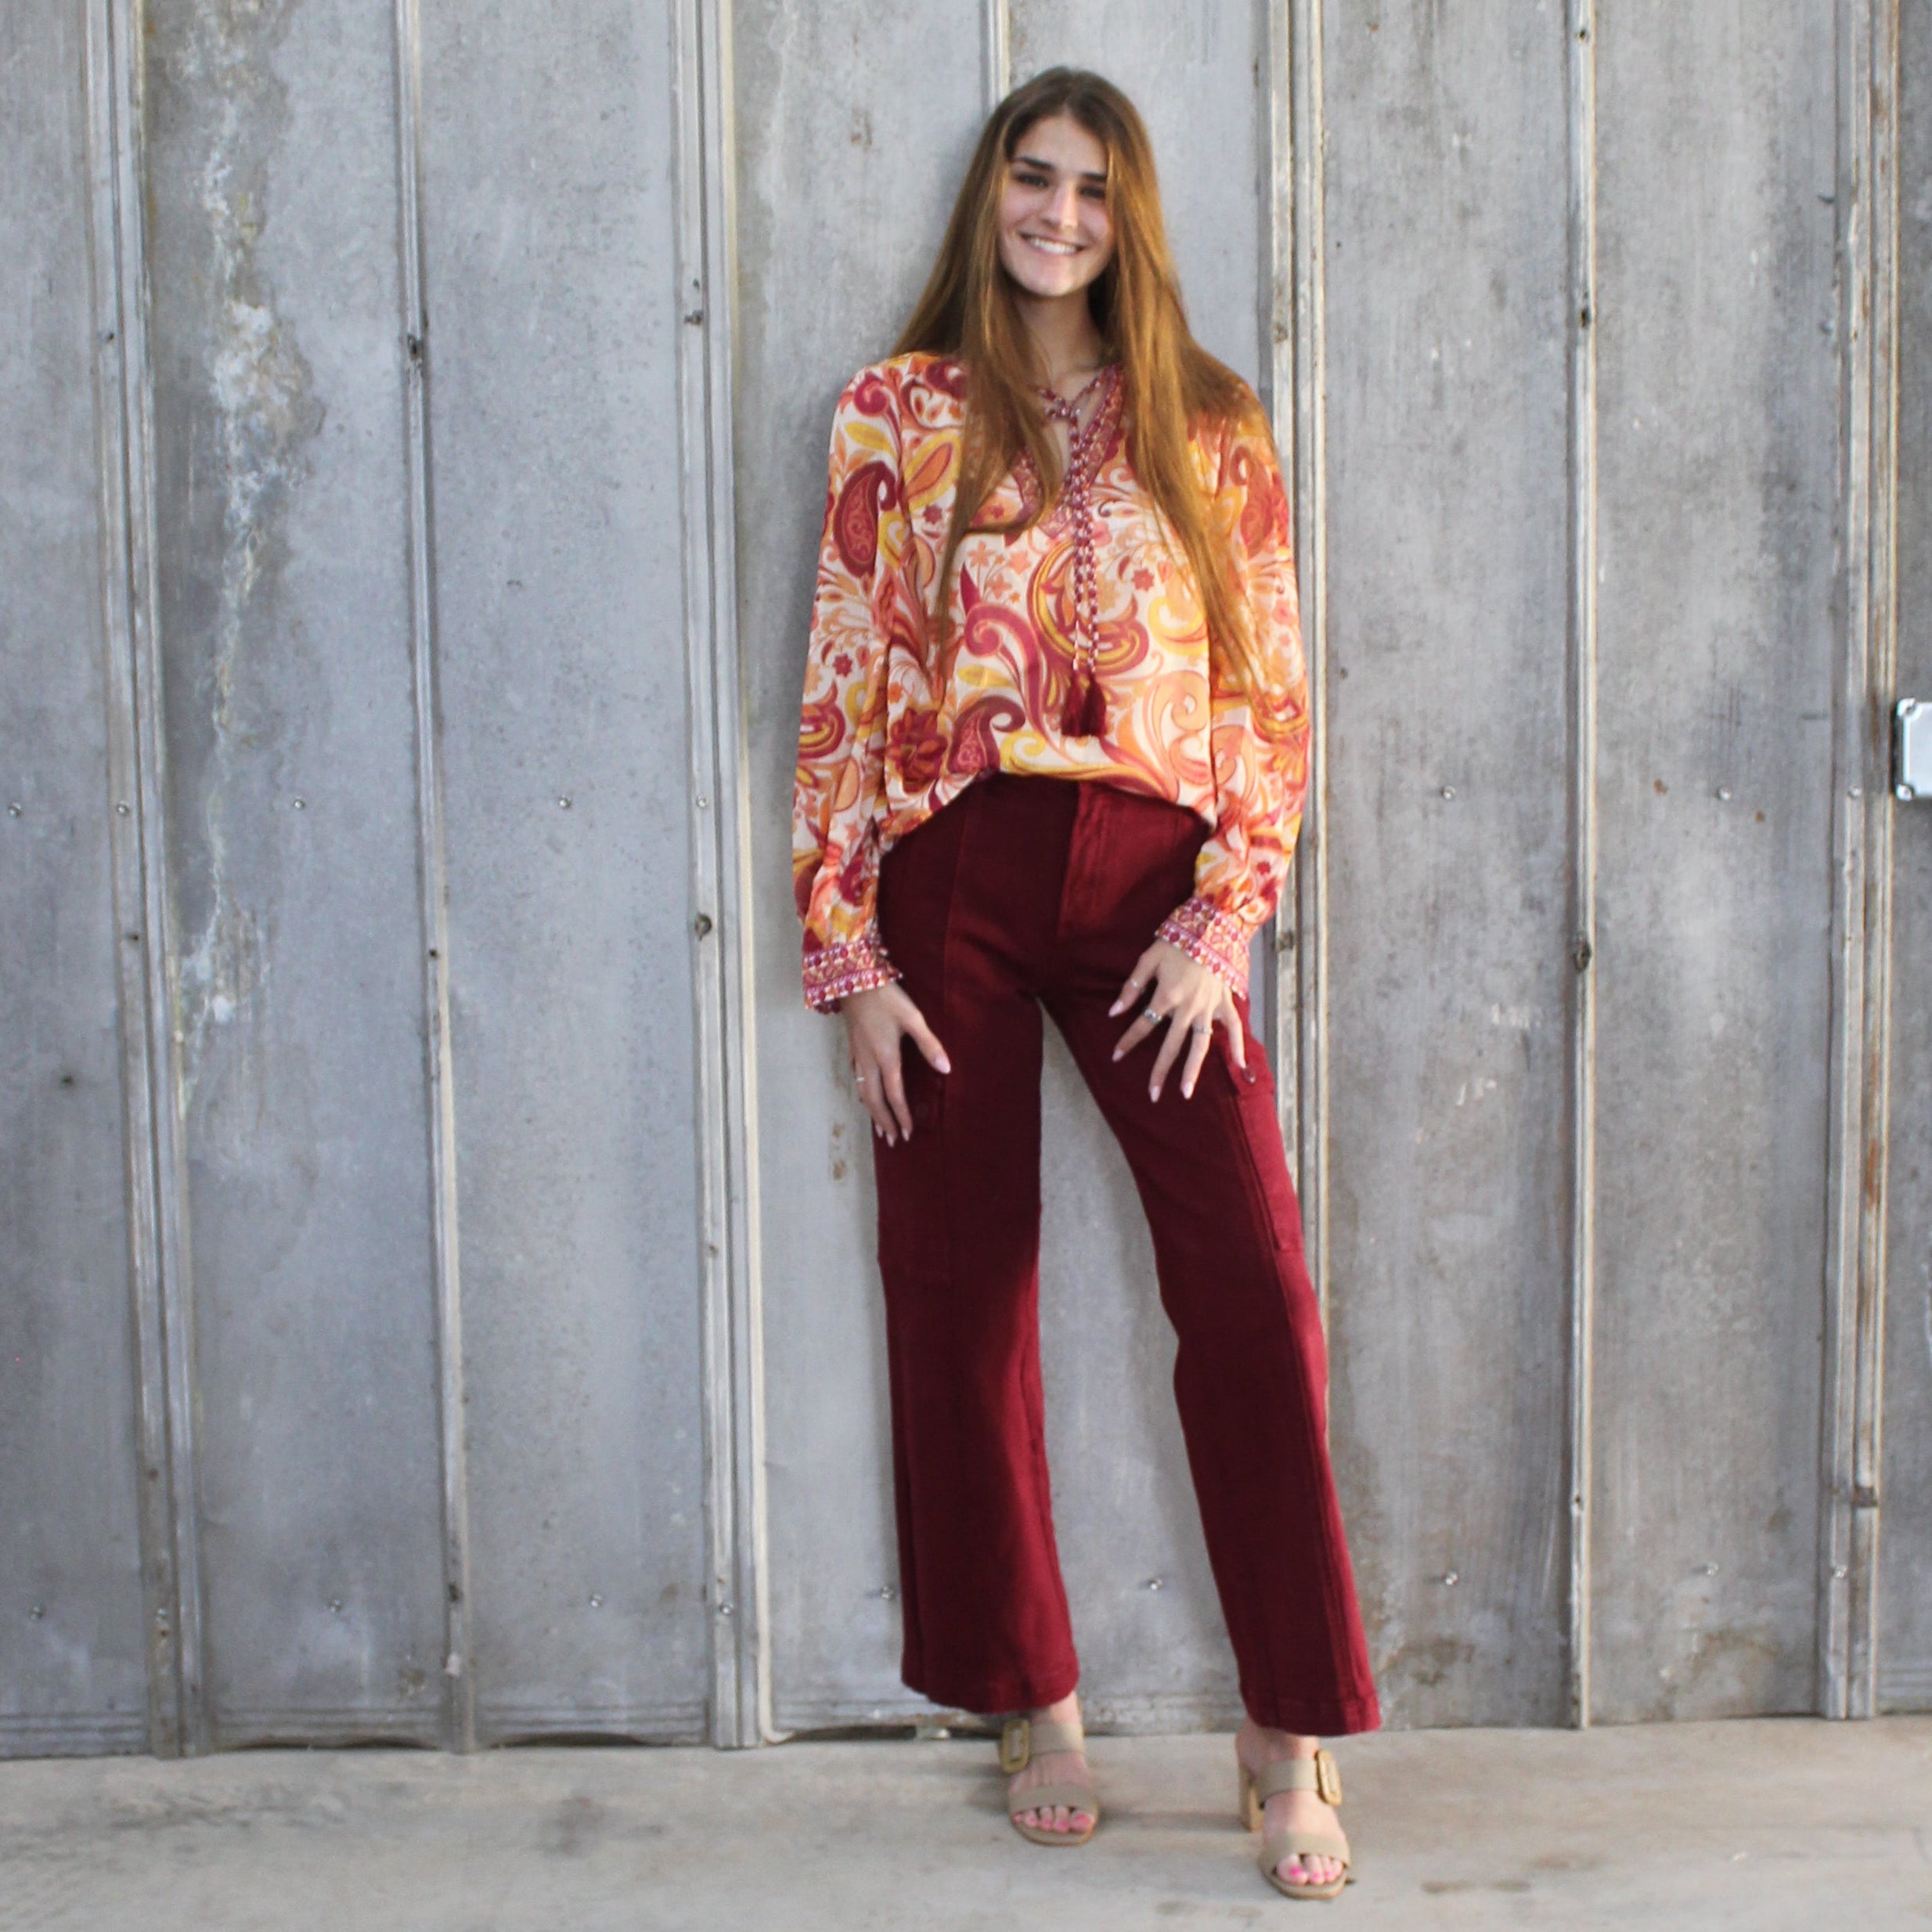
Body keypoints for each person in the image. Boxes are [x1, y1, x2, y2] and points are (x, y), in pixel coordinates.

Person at [790, 67, 1379, 1902]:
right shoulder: (897, 412)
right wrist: (846, 948)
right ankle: (1031, 1698)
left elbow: (1270, 693)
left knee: (1253, 1287)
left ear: (1131, 221)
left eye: (1093, 189)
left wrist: (1225, 913)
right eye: (1033, 179)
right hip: (950, 874)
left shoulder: (1210, 419)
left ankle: (1285, 1728)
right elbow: (841, 681)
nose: (1058, 215)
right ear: (991, 194)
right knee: (961, 1292)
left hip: (1150, 884)